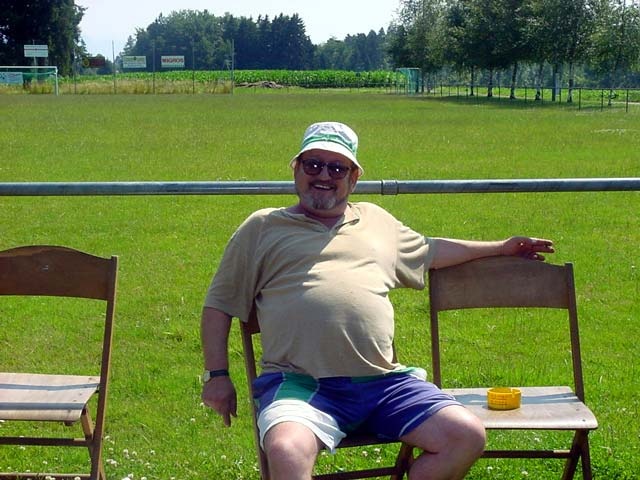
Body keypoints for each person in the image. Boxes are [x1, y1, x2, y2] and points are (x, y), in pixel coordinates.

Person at [201, 121, 554, 480]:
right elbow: (219, 304)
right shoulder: (262, 227)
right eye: (313, 164)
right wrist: (217, 376)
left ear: (353, 178)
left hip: (383, 382)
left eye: (337, 168)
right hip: (301, 385)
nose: (324, 175)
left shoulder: (376, 221)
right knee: (286, 451)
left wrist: (501, 247)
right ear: (296, 169)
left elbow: (431, 251)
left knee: (465, 435)